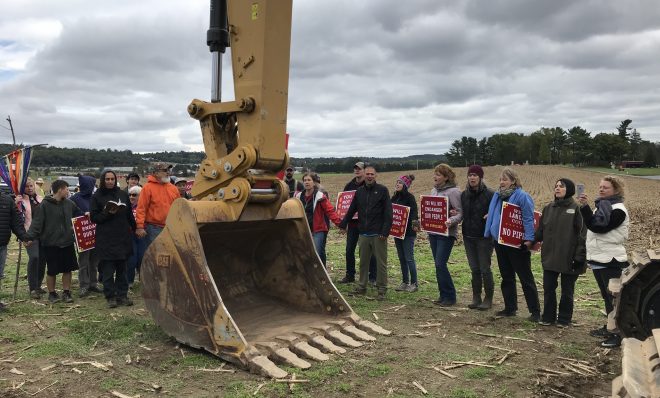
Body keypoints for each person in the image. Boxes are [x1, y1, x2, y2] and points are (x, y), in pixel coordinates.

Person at [484, 167, 541, 321]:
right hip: (500, 241)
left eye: (505, 179)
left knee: (525, 277)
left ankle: (535, 312)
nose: (502, 182)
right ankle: (510, 308)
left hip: (517, 244)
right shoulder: (497, 195)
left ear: (513, 181)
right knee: (506, 276)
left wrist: (529, 240)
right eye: (501, 179)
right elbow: (495, 212)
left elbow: (528, 218)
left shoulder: (522, 196)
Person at [578, 176, 628, 348]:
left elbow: (598, 228)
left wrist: (584, 208)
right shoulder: (602, 206)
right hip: (600, 259)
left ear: (616, 190)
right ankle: (610, 327)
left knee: (614, 299)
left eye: (605, 187)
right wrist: (586, 208)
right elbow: (594, 224)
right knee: (606, 297)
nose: (601, 189)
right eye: (600, 187)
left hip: (611, 260)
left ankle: (618, 334)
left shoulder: (618, 210)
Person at [535, 178, 587, 327]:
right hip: (550, 257)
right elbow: (540, 231)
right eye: (556, 186)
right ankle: (548, 317)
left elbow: (583, 235)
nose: (557, 188)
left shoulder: (576, 209)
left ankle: (564, 319)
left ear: (569, 190)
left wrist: (579, 257)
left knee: (567, 291)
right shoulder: (548, 208)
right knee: (549, 288)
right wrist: (529, 240)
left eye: (561, 186)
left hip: (569, 258)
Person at [25, 180, 83, 304]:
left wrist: (87, 216)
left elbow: (79, 215)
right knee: (52, 270)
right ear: (60, 190)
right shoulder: (44, 205)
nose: (68, 191)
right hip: (51, 243)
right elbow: (36, 224)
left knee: (67, 269)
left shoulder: (69, 203)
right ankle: (52, 293)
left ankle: (66, 292)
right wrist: (28, 237)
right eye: (67, 189)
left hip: (67, 242)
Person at [340, 165, 392, 300]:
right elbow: (351, 210)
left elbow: (388, 213)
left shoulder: (382, 190)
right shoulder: (359, 192)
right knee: (363, 262)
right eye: (367, 174)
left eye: (371, 174)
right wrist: (343, 223)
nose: (369, 176)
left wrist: (385, 231)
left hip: (378, 233)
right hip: (363, 232)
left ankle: (381, 289)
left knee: (381, 263)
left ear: (376, 176)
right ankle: (362, 286)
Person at [90, 170, 137, 308]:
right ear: (103, 180)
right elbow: (94, 218)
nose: (110, 181)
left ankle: (122, 295)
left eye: (112, 179)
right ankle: (110, 296)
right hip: (106, 238)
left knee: (122, 269)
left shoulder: (122, 194)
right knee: (108, 271)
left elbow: (129, 215)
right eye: (107, 179)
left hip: (122, 237)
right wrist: (107, 213)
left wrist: (136, 228)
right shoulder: (96, 196)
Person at [460, 165, 495, 310]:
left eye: (475, 175)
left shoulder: (491, 195)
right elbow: (462, 212)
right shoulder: (464, 195)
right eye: (470, 175)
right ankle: (476, 297)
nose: (472, 177)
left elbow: (500, 212)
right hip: (468, 236)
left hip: (484, 238)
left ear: (480, 178)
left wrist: (491, 216)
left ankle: (488, 298)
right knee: (474, 269)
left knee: (485, 269)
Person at [428, 164, 463, 307]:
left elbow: (460, 213)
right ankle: (443, 296)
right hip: (433, 232)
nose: (435, 177)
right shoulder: (433, 191)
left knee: (440, 264)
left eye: (439, 174)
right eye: (435, 174)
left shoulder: (454, 192)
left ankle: (450, 296)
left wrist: (451, 220)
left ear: (446, 177)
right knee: (438, 265)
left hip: (447, 233)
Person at [338, 161, 377, 284]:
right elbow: (344, 205)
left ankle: (372, 276)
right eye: (355, 168)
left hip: (366, 224)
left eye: (359, 168)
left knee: (367, 251)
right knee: (349, 249)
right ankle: (350, 275)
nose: (357, 170)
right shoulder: (349, 186)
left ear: (365, 171)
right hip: (353, 224)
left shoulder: (369, 185)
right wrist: (343, 223)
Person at [294, 172, 342, 266]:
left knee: (317, 254)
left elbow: (330, 211)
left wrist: (340, 224)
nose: (307, 182)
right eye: (305, 180)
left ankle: (321, 276)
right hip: (304, 230)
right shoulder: (298, 196)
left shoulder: (320, 196)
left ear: (314, 182)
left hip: (318, 230)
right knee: (304, 254)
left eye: (309, 180)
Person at [70, 175, 102, 297]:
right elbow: (71, 213)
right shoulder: (74, 198)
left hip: (94, 234)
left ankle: (93, 283)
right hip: (81, 235)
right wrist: (83, 214)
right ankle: (84, 285)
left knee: (94, 261)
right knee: (83, 261)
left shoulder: (95, 198)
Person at [16, 178, 48, 298]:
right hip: (29, 234)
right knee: (34, 258)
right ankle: (32, 288)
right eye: (27, 186)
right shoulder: (20, 201)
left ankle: (38, 285)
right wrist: (23, 236)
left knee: (42, 260)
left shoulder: (40, 199)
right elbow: (18, 219)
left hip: (43, 234)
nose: (29, 188)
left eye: (31, 186)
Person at [135, 162, 180, 246]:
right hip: (154, 228)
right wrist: (140, 227)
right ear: (155, 173)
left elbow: (178, 208)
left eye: (168, 170)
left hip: (171, 228)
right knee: (155, 256)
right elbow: (141, 208)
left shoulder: (173, 188)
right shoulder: (147, 188)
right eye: (164, 170)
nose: (168, 172)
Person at [391, 174, 419, 293]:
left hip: (408, 233)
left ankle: (414, 283)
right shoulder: (394, 198)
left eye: (400, 183)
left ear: (405, 186)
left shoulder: (410, 198)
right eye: (397, 182)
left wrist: (415, 225)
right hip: (397, 232)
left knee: (409, 258)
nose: (397, 184)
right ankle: (404, 282)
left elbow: (414, 214)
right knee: (401, 258)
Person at [127, 185, 146, 286]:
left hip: (142, 236)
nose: (131, 197)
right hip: (130, 236)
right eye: (129, 195)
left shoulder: (145, 207)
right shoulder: (126, 207)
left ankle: (143, 279)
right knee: (131, 259)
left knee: (142, 258)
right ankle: (129, 281)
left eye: (134, 195)